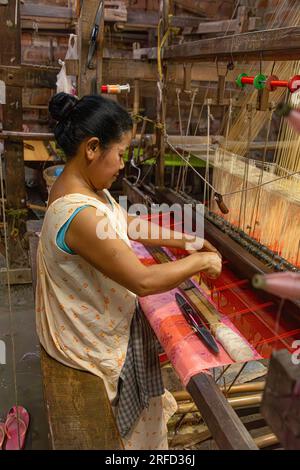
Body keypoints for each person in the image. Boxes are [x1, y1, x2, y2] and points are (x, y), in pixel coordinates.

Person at [36, 92, 222, 450]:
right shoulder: (81, 214)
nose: (123, 164)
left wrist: (189, 241)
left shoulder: (83, 187)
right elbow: (143, 280)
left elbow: (127, 224)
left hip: (82, 324)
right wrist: (202, 262)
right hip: (83, 346)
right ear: (92, 148)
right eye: (120, 153)